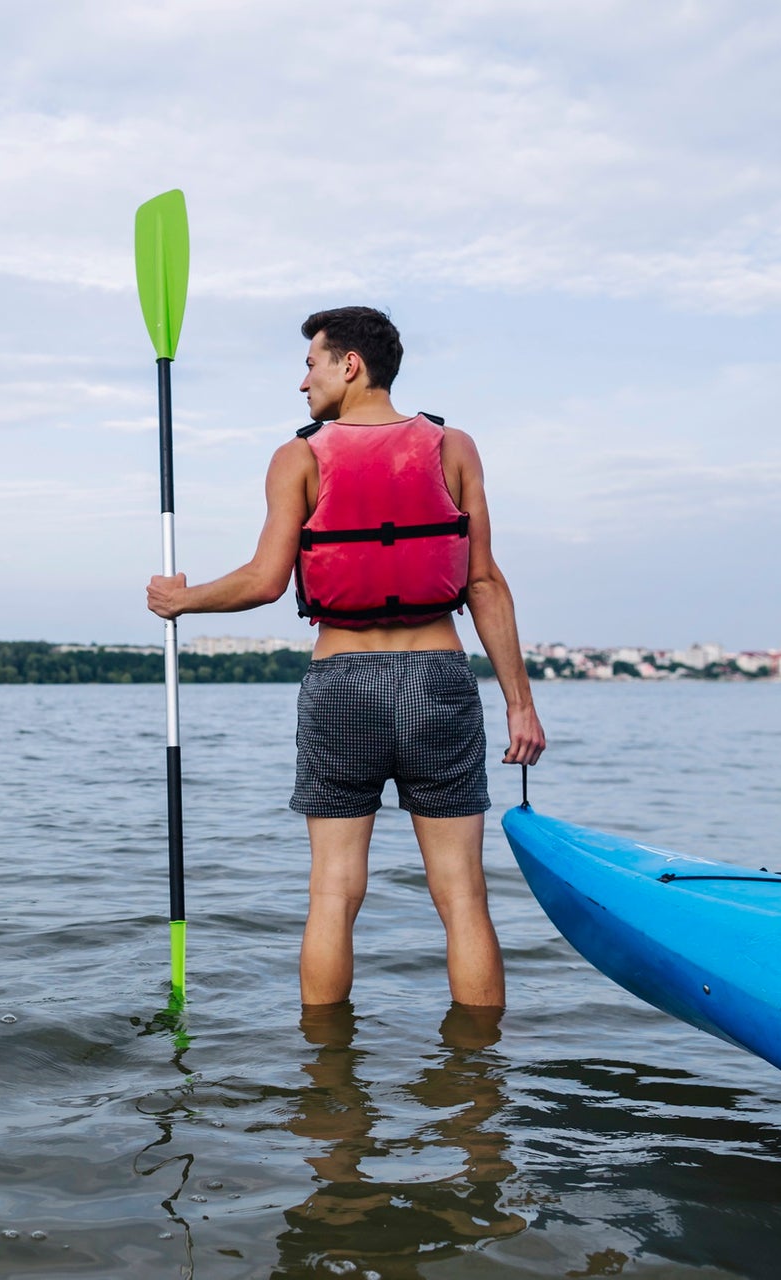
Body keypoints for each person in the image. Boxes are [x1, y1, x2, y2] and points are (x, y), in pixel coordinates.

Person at [146, 306, 545, 1009]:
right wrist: (521, 704)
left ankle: (327, 1090)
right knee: (463, 896)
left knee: (332, 893)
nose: (303, 384)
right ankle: (478, 1095)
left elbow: (265, 581)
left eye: (311, 363)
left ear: (349, 364)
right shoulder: (455, 447)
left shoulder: (297, 457)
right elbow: (483, 581)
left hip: (341, 685)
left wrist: (183, 600)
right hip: (438, 684)